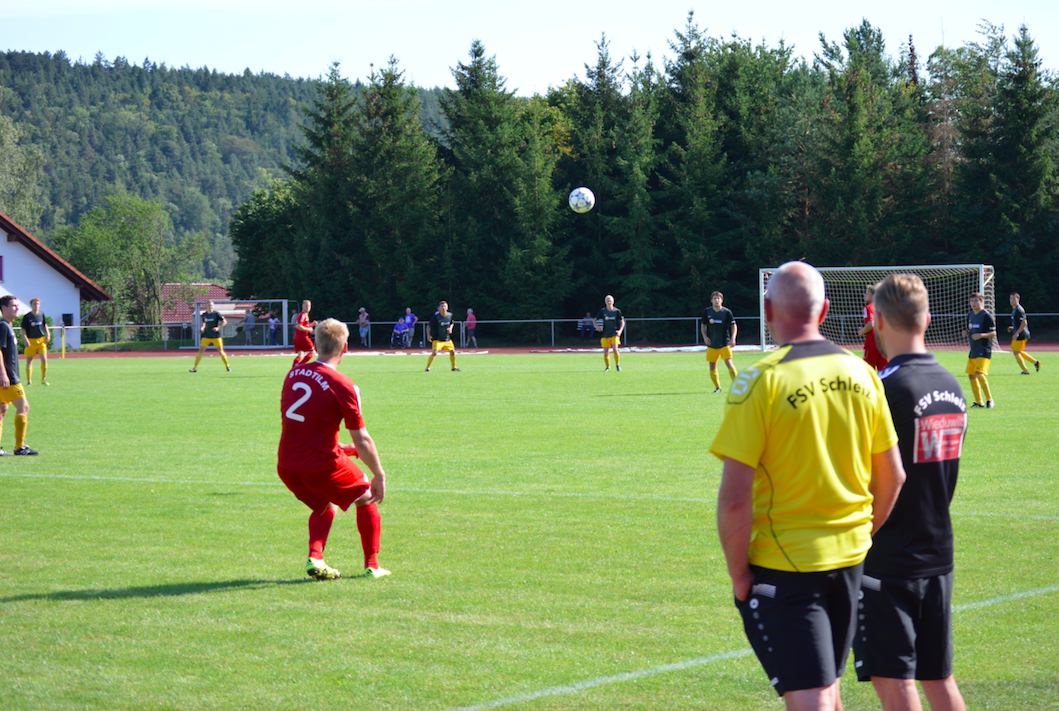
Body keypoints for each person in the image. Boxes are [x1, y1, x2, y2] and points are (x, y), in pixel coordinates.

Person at [711, 261, 906, 711]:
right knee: (828, 687)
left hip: (788, 567)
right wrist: (861, 533)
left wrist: (740, 574)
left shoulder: (759, 380)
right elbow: (893, 475)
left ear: (767, 309)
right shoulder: (863, 374)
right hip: (853, 560)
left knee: (812, 699)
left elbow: (736, 498)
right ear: (825, 311)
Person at [852, 273, 968, 711]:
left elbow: (874, 477)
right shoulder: (952, 387)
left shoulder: (886, 389)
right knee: (939, 680)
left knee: (895, 681)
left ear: (877, 320)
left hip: (890, 556)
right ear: (928, 318)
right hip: (938, 550)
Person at [277, 318, 389, 579]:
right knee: (366, 495)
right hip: (322, 466)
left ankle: (315, 559)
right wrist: (379, 475)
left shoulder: (293, 373)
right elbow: (362, 438)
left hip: (288, 466)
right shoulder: (344, 384)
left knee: (324, 505)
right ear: (345, 347)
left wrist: (344, 449)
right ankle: (372, 566)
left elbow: (303, 425)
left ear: (315, 344)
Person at [0, 295, 38, 455]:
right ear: (4, 308)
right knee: (24, 407)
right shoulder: (3, 326)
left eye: (17, 305)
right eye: (13, 306)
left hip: (7, 376)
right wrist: (3, 374)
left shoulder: (7, 326)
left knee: (2, 410)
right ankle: (19, 447)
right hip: (9, 378)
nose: (17, 308)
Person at [961, 293, 996, 409]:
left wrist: (981, 335)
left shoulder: (986, 316)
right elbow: (970, 328)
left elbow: (993, 333)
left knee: (979, 373)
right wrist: (966, 332)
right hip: (974, 350)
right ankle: (979, 402)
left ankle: (990, 400)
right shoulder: (970, 314)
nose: (973, 303)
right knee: (971, 375)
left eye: (976, 301)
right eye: (972, 301)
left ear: (981, 301)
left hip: (984, 349)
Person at [701, 291, 738, 393]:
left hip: (724, 343)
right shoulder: (707, 312)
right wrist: (705, 337)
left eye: (718, 298)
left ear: (722, 300)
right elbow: (703, 326)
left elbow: (733, 326)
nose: (717, 300)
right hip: (712, 344)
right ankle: (717, 387)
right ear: (711, 300)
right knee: (712, 366)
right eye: (715, 298)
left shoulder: (726, 312)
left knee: (729, 363)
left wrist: (733, 338)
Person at [189, 300, 231, 373]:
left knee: (221, 351)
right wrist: (201, 329)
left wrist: (218, 327)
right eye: (209, 305)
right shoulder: (204, 314)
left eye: (211, 305)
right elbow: (204, 324)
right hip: (206, 336)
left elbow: (225, 322)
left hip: (216, 336)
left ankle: (227, 366)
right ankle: (195, 368)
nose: (210, 306)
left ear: (213, 306)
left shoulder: (216, 314)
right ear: (206, 306)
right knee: (201, 350)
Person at [20, 297, 51, 386]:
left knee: (44, 360)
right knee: (29, 360)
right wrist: (25, 339)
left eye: (38, 304)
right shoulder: (27, 317)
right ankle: (29, 380)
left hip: (41, 340)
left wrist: (48, 334)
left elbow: (45, 325)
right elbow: (23, 329)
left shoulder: (41, 314)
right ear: (31, 305)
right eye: (34, 304)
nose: (36, 305)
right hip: (31, 341)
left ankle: (43, 379)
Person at [1007, 292, 1040, 375]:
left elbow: (1024, 323)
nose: (1012, 300)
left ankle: (1025, 371)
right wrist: (1013, 328)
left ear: (1018, 299)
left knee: (1016, 352)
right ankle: (1035, 362)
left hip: (1021, 334)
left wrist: (1017, 333)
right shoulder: (1015, 309)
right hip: (1020, 333)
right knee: (1018, 352)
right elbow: (1019, 323)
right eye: (1011, 298)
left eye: (1014, 298)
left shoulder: (1019, 310)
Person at [860, 284, 890, 372]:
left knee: (866, 373)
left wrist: (861, 331)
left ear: (873, 296)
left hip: (872, 344)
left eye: (867, 293)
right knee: (884, 372)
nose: (865, 295)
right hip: (883, 344)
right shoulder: (883, 308)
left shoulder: (868, 308)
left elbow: (871, 324)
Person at [425, 301, 459, 372]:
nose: (443, 308)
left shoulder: (450, 315)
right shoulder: (436, 317)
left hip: (447, 339)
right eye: (442, 306)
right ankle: (427, 367)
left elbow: (452, 323)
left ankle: (454, 367)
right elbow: (429, 326)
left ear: (447, 307)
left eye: (445, 306)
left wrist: (450, 328)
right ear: (439, 309)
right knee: (434, 353)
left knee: (452, 351)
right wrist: (428, 335)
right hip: (437, 339)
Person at [595, 295, 624, 371]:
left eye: (610, 300)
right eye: (607, 300)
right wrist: (597, 327)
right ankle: (608, 367)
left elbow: (622, 322)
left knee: (615, 349)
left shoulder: (616, 311)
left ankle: (617, 365)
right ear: (605, 302)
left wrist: (620, 330)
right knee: (606, 352)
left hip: (614, 334)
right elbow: (594, 320)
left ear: (613, 301)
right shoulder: (603, 311)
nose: (609, 301)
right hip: (605, 334)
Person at [293, 300, 317, 367]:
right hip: (302, 337)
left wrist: (311, 325)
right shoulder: (302, 315)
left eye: (309, 306)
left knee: (300, 354)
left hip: (297, 337)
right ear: (302, 306)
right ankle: (299, 366)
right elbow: (299, 326)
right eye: (306, 306)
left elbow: (303, 326)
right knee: (313, 352)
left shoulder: (305, 315)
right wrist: (308, 329)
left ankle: (293, 370)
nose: (307, 307)